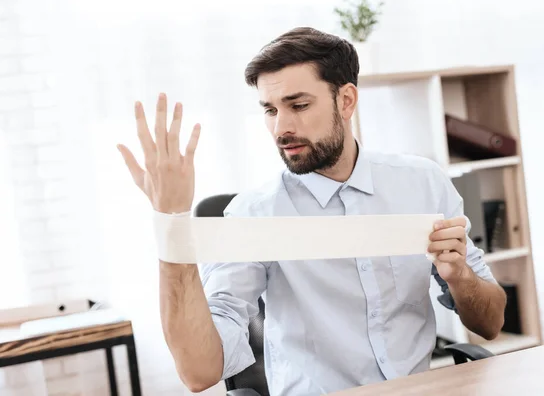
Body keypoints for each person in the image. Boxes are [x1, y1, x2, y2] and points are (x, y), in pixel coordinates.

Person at [117, 27, 507, 396]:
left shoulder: (422, 182)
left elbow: (489, 324)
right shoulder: (255, 216)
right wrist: (171, 223)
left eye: (298, 105)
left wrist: (461, 278)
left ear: (347, 100)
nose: (281, 128)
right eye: (269, 110)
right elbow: (198, 373)